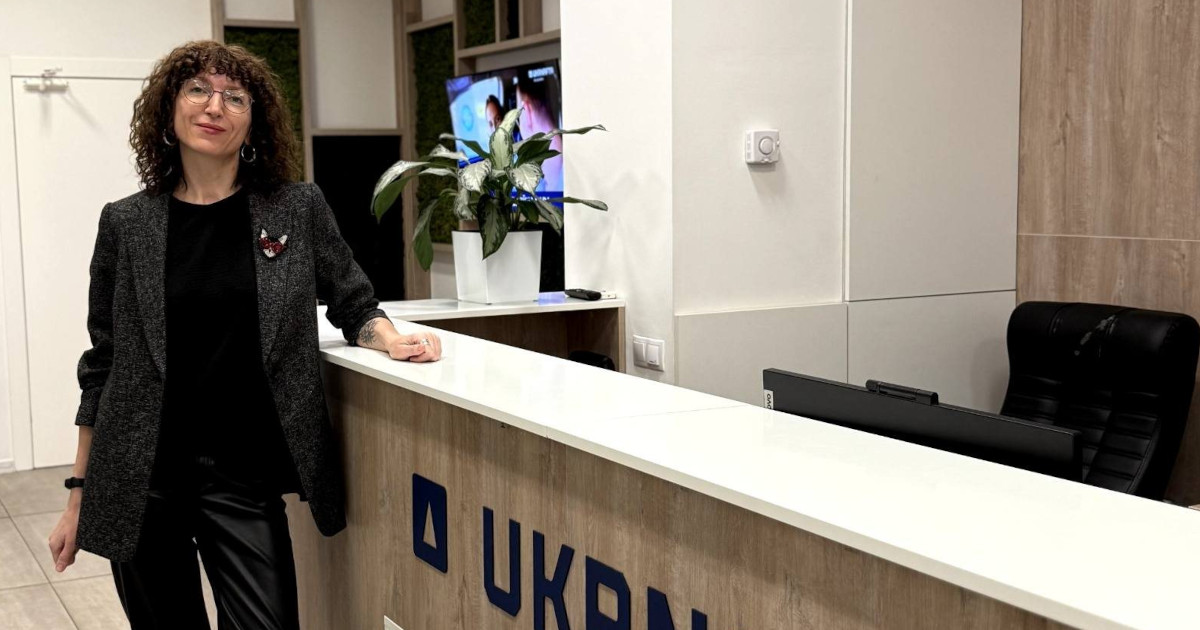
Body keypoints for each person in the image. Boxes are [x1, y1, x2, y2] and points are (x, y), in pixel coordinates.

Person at [45, 40, 442, 629]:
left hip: (244, 476)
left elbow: (352, 299)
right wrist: (79, 493)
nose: (215, 107)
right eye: (197, 90)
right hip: (141, 478)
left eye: (234, 97)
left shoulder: (295, 208)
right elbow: (102, 362)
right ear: (169, 112)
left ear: (253, 123)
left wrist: (388, 337)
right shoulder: (126, 223)